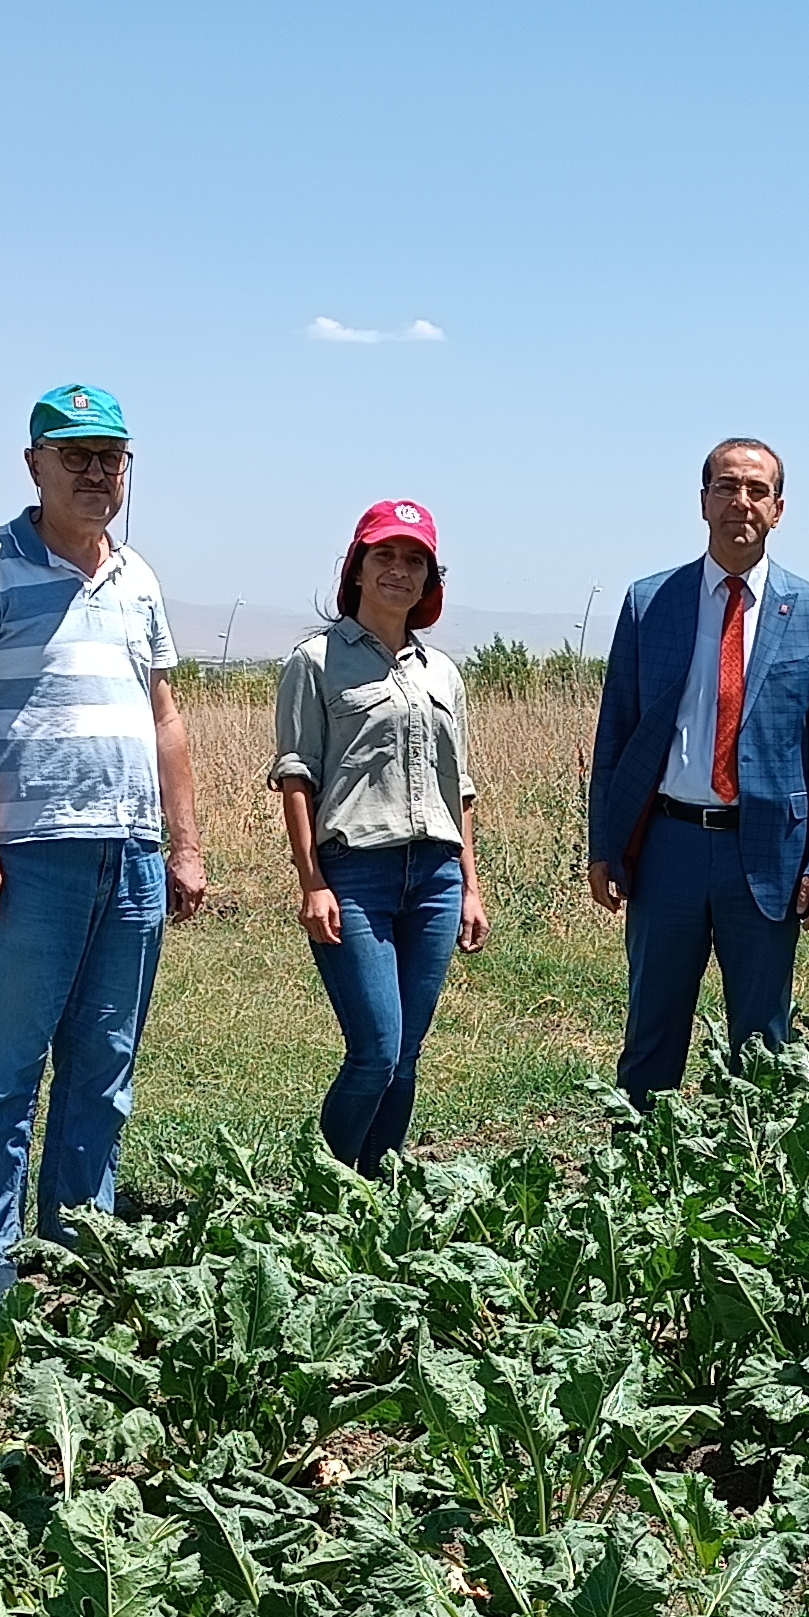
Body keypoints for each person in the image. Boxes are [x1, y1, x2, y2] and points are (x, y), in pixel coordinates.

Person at [0, 383, 208, 1307]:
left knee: (105, 1059)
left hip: (128, 851)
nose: (96, 473)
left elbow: (165, 718)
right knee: (6, 1063)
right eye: (75, 455)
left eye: (111, 457)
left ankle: (79, 1240)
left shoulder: (140, 579)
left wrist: (185, 845)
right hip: (32, 851)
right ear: (34, 464)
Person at [583, 438, 809, 1099]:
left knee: (764, 1043)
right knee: (652, 1032)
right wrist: (605, 845)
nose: (742, 502)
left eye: (757, 490)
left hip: (766, 851)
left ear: (779, 508)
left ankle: (758, 1177)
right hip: (669, 848)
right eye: (727, 487)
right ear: (703, 502)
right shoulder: (652, 603)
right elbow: (616, 732)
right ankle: (635, 1175)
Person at [270, 499, 489, 1173]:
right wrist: (313, 883)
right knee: (377, 1050)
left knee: (409, 1053)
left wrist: (471, 888)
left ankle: (379, 1190)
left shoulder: (442, 672)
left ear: (431, 581)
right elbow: (296, 775)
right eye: (384, 556)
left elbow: (461, 788)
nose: (399, 570)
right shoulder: (314, 662)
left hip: (436, 877)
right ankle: (329, 1184)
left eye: (414, 559)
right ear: (357, 570)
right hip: (354, 876)